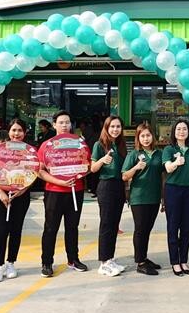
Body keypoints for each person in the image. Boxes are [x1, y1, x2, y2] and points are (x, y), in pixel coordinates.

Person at [38, 110, 90, 277]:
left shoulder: (80, 143)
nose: (65, 125)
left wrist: (81, 173)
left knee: (72, 227)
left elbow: (88, 166)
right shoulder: (46, 145)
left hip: (76, 190)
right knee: (50, 228)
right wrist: (60, 182)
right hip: (54, 192)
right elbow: (40, 171)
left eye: (67, 122)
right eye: (61, 122)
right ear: (54, 125)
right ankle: (46, 262)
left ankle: (73, 259)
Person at [0, 119, 34, 283]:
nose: (17, 134)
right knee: (2, 231)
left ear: (24, 133)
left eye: (20, 130)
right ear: (9, 132)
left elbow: (33, 173)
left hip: (21, 196)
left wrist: (23, 189)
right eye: (14, 130)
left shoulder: (30, 152)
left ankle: (11, 263)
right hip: (1, 196)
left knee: (16, 230)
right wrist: (1, 192)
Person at [122, 122, 164, 276]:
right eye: (142, 136)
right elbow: (124, 175)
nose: (146, 139)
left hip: (154, 197)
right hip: (139, 198)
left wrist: (163, 198)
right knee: (140, 230)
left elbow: (163, 175)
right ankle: (140, 262)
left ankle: (144, 257)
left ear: (153, 136)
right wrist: (136, 168)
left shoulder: (159, 154)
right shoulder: (133, 154)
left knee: (147, 229)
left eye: (148, 135)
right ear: (138, 138)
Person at [90, 116, 128, 277]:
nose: (115, 129)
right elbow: (92, 168)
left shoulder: (120, 145)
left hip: (119, 186)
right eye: (112, 126)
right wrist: (102, 160)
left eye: (118, 126)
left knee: (114, 225)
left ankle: (110, 259)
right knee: (106, 224)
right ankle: (103, 262)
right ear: (106, 127)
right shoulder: (99, 145)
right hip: (106, 186)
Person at [162, 119, 189, 276]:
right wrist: (176, 162)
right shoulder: (169, 149)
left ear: (188, 132)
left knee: (186, 228)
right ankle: (174, 262)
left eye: (184, 129)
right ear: (174, 132)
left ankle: (184, 260)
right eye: (178, 129)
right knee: (173, 226)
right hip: (173, 191)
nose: (182, 132)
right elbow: (168, 169)